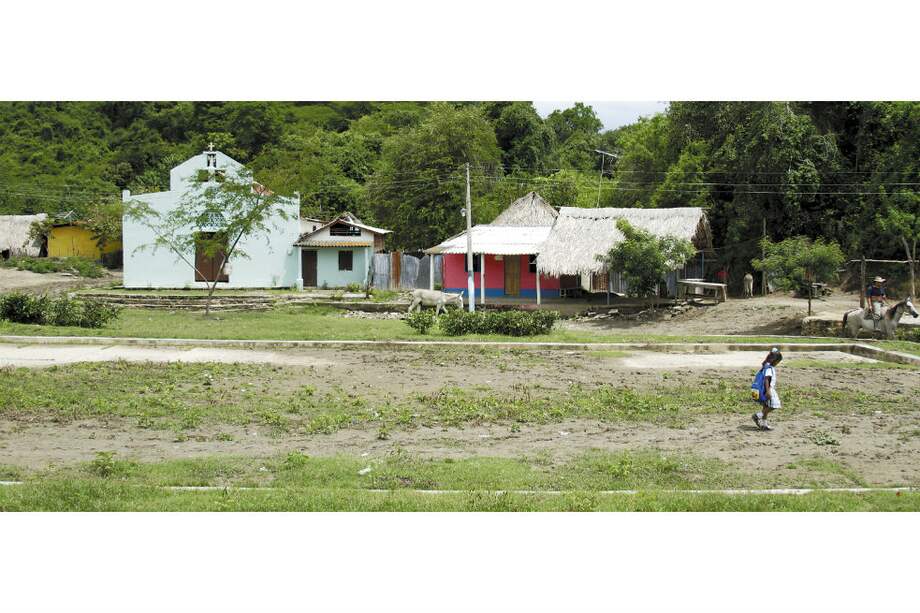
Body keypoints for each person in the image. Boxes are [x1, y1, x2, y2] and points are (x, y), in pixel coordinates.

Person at [752, 348, 783, 431]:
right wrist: (768, 391)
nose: (778, 363)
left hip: (766, 389)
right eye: (778, 362)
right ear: (774, 360)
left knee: (766, 406)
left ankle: (764, 424)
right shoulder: (769, 368)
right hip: (769, 390)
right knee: (774, 405)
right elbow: (766, 379)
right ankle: (758, 415)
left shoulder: (766, 366)